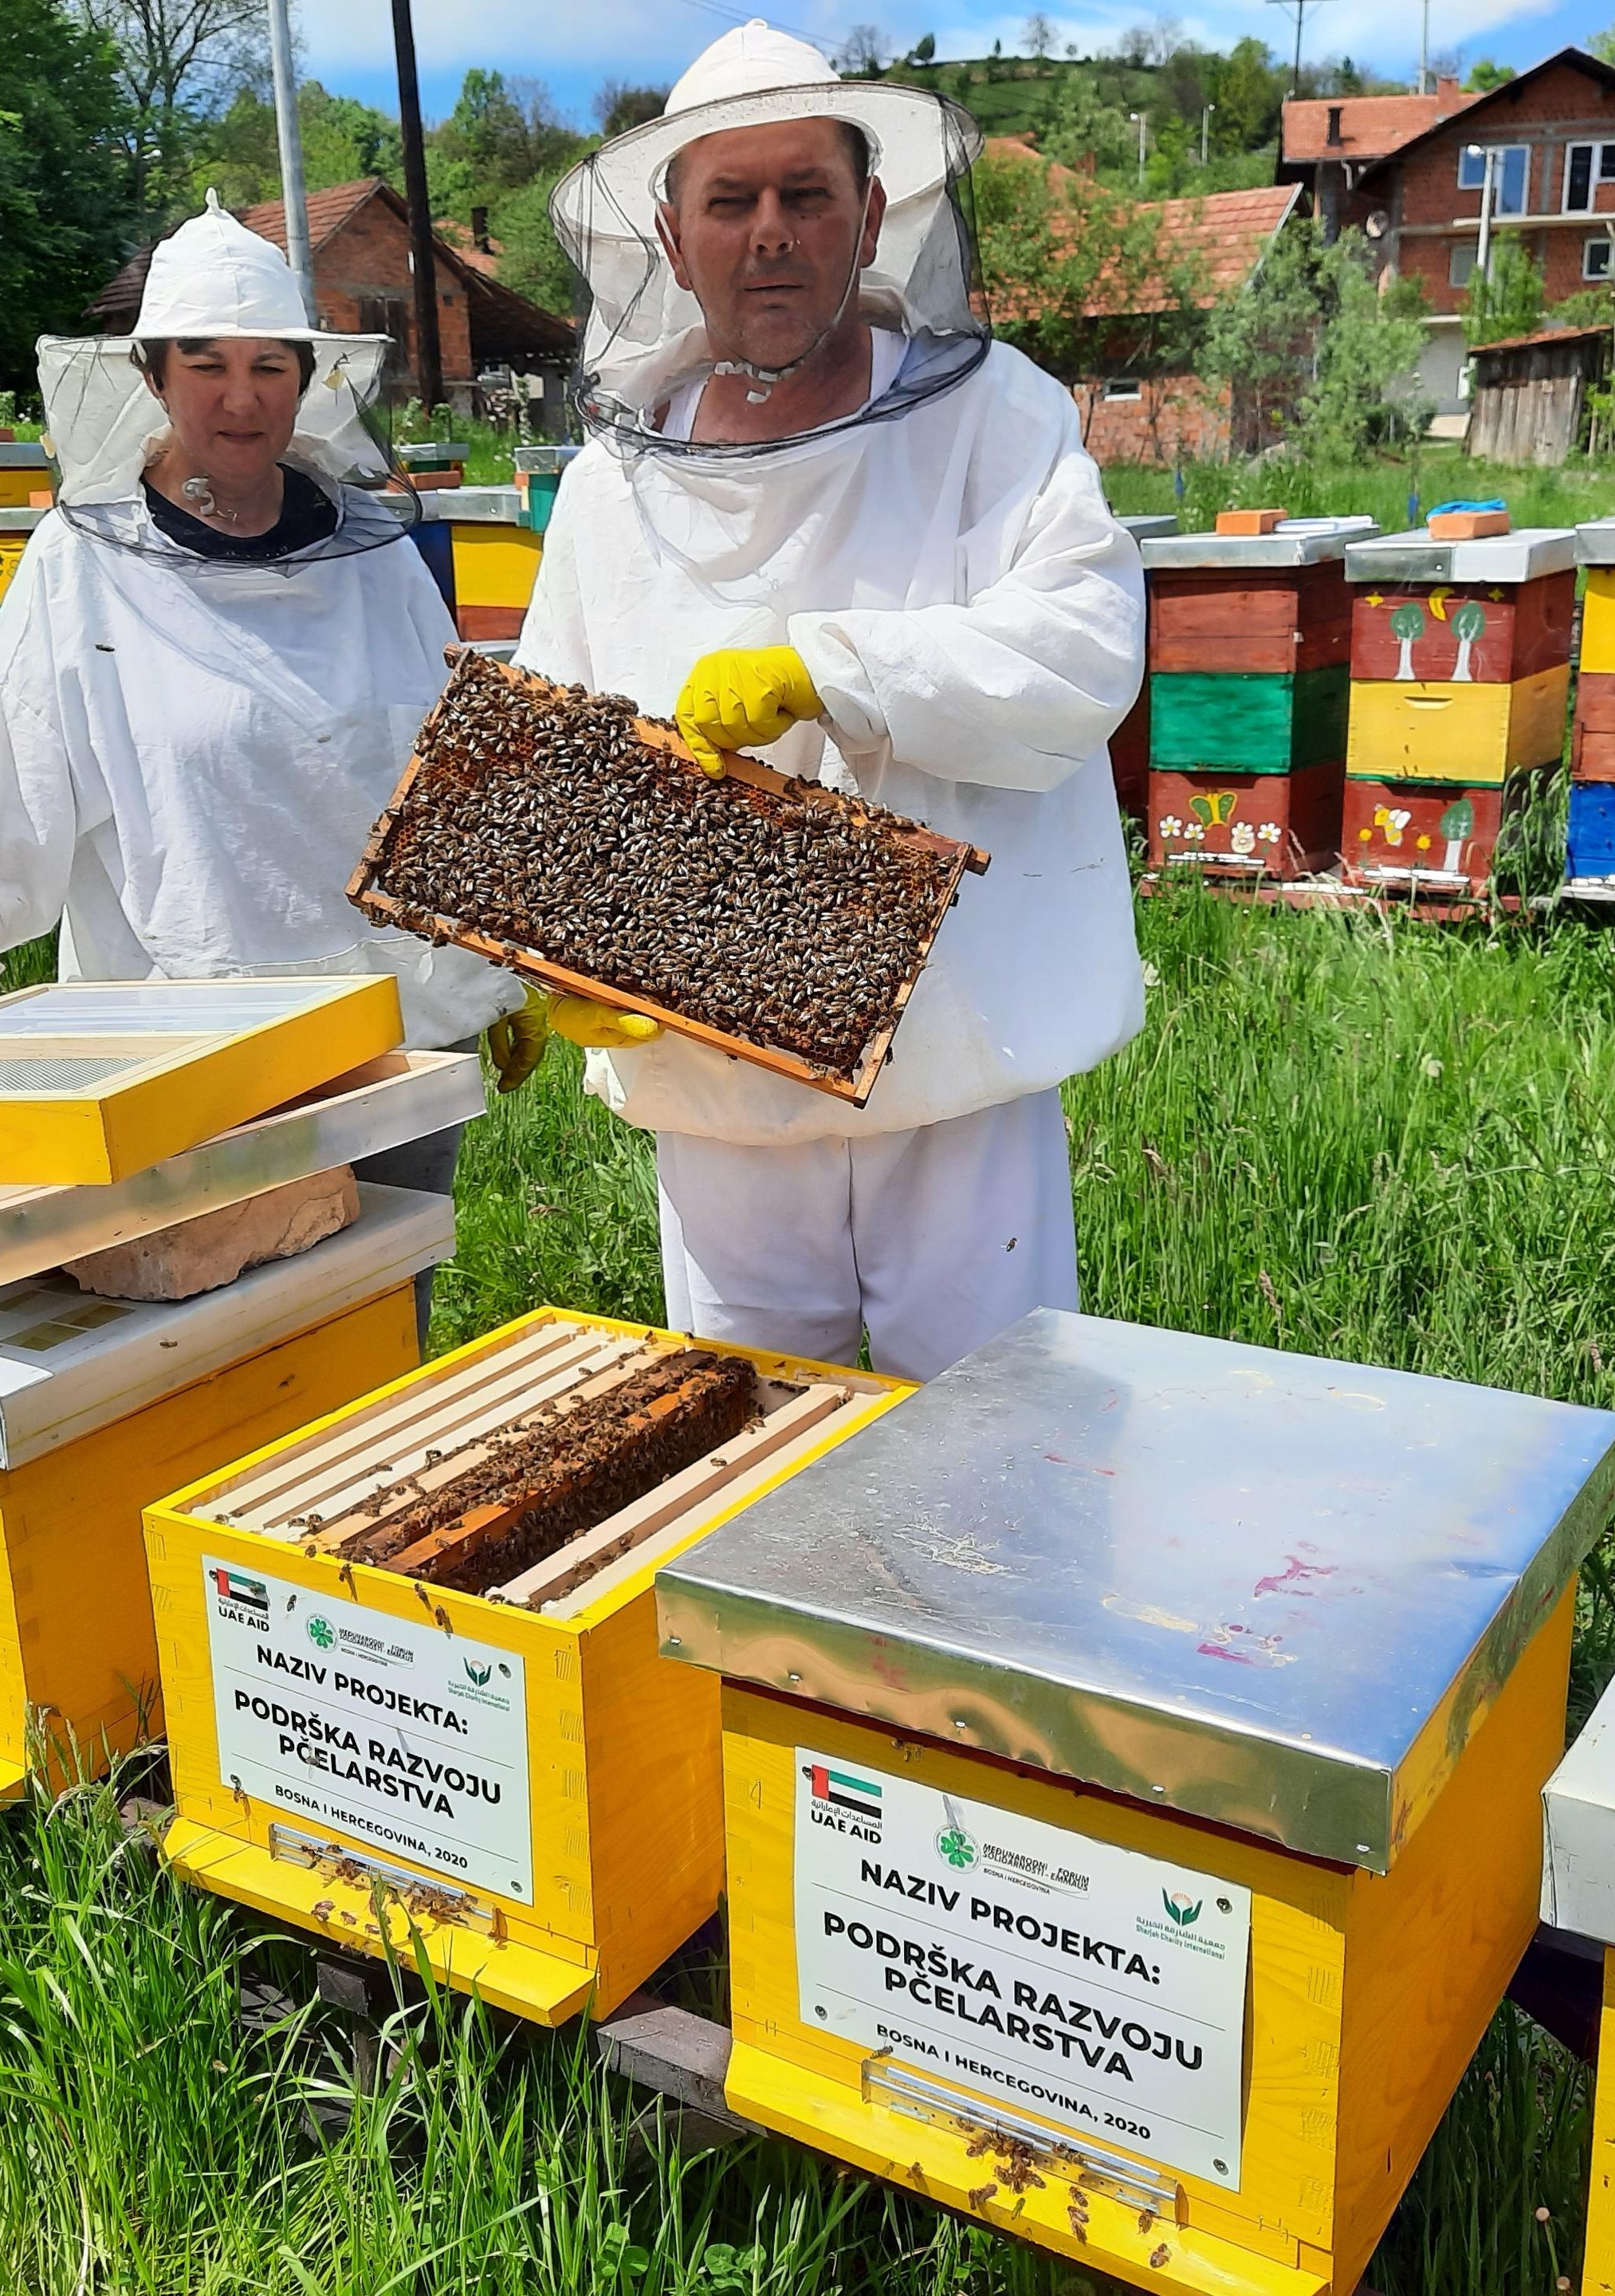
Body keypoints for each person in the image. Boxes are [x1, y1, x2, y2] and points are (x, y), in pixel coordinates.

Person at [514, 22, 1145, 1382]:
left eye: (807, 195)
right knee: (746, 1459)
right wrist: (552, 948)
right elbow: (556, 756)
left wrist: (834, 672)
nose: (771, 234)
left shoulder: (996, 421)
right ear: (673, 241)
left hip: (957, 1061)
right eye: (729, 202)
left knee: (991, 1459)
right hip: (717, 1083)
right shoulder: (609, 493)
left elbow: (1086, 647)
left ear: (871, 216)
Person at [0, 196, 529, 1336]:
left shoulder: (377, 561)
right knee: (205, 1364)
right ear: (153, 371)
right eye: (207, 364)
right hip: (185, 1062)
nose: (241, 397)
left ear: (308, 375)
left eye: (270, 365)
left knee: (377, 1349)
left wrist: (509, 961)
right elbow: (7, 774)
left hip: (391, 1046)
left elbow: (456, 773)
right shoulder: (80, 567)